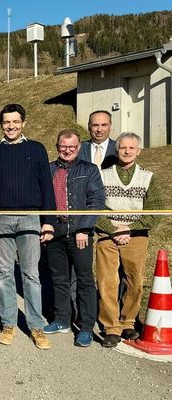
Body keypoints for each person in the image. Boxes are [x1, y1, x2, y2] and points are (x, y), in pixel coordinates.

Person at [0, 103, 56, 350]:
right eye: (6, 122)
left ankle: (36, 325)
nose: (11, 126)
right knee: (3, 273)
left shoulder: (36, 149)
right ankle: (8, 323)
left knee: (31, 273)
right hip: (1, 218)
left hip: (30, 217)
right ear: (1, 125)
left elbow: (47, 186)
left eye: (15, 122)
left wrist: (48, 222)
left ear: (23, 123)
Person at [94, 132, 162, 348]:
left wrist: (129, 229)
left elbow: (157, 211)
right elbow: (94, 207)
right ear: (117, 149)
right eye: (123, 147)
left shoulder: (148, 177)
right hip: (108, 234)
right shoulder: (103, 175)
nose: (127, 151)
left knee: (135, 281)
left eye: (131, 148)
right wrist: (113, 229)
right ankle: (111, 327)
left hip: (136, 235)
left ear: (138, 151)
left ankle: (128, 322)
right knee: (107, 281)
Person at [43, 129, 105, 347]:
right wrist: (46, 225)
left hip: (80, 233)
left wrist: (85, 228)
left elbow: (96, 200)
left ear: (78, 147)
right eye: (63, 146)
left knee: (85, 280)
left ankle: (86, 326)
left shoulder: (89, 170)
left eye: (71, 146)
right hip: (55, 233)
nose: (67, 150)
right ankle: (62, 319)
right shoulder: (48, 169)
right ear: (57, 146)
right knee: (59, 279)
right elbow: (43, 200)